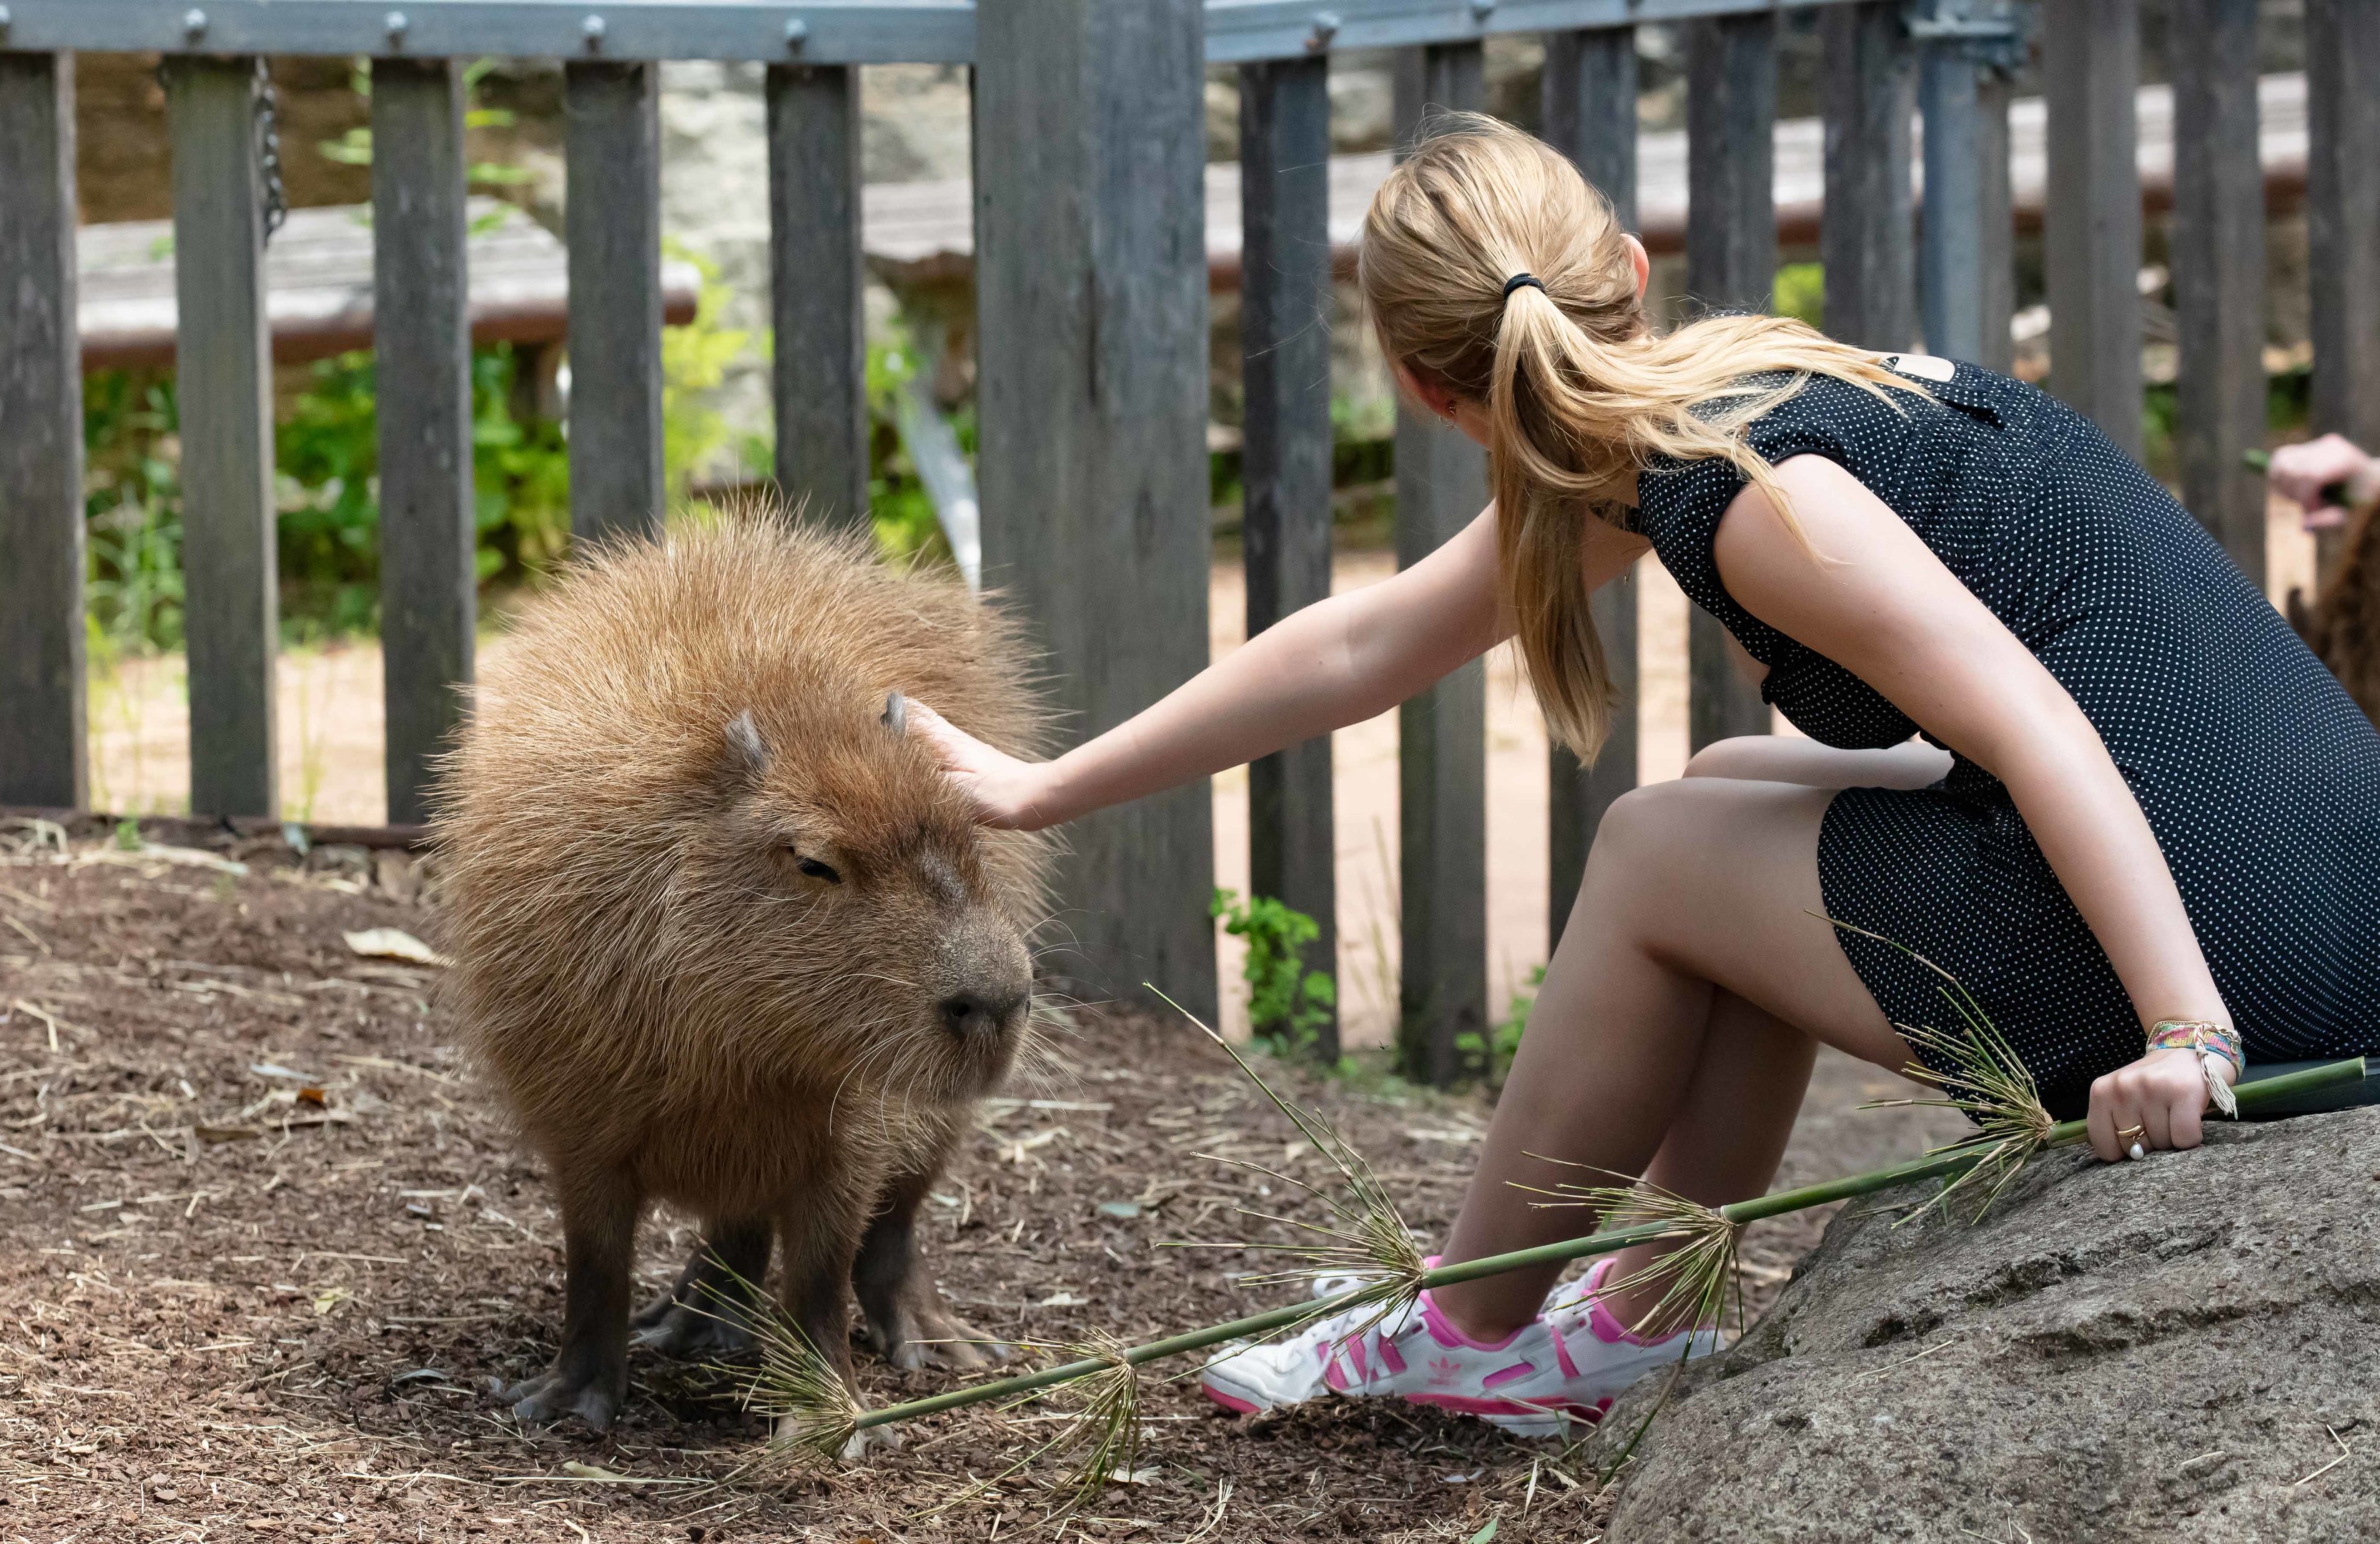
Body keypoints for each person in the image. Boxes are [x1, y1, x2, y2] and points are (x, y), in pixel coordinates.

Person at [908, 116, 2380, 1436]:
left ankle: (1464, 1326)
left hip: (2258, 964)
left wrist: (2187, 1035)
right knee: (1737, 782)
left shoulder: (1744, 493)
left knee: (1655, 847)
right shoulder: (1734, 396)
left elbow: (2040, 731)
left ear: (1426, 393)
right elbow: (1361, 642)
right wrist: (1042, 786)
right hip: (2328, 871)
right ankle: (1642, 1312)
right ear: (1621, 261)